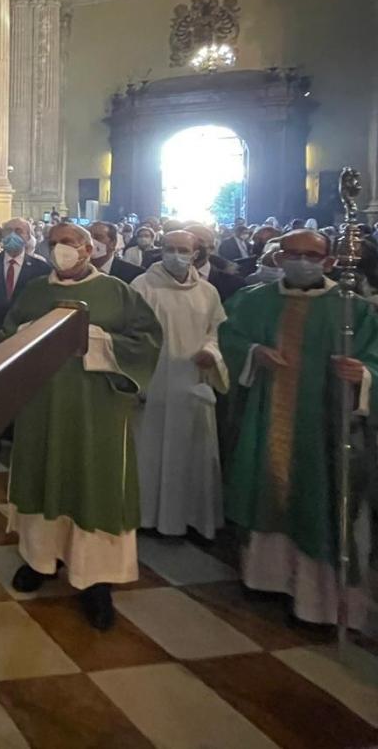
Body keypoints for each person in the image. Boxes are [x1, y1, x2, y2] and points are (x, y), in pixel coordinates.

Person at [219, 229, 378, 627]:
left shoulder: (351, 310)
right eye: (293, 254)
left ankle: (317, 603)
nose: (301, 262)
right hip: (265, 419)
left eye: (311, 255)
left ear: (329, 262)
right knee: (266, 493)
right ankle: (265, 578)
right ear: (279, 258)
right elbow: (229, 338)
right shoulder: (254, 300)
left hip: (324, 427)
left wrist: (363, 376)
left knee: (321, 502)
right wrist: (253, 353)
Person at [4, 222, 163, 630]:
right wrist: (29, 335)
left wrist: (97, 341)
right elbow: (6, 334)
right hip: (41, 405)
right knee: (43, 473)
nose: (60, 249)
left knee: (94, 481)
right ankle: (40, 560)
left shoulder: (117, 292)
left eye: (69, 243)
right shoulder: (35, 291)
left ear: (89, 249)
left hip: (97, 409)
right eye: (54, 243)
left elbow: (146, 341)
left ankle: (96, 579)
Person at [131, 230, 229, 539]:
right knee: (149, 451)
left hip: (191, 381)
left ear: (196, 253)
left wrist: (211, 352)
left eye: (183, 249)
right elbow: (129, 334)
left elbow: (216, 332)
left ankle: (191, 518)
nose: (176, 255)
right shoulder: (142, 286)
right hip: (154, 383)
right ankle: (145, 516)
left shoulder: (208, 292)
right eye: (170, 248)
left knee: (193, 451)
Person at [0, 217, 50, 358]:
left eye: (18, 231)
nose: (13, 235)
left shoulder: (41, 268)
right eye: (8, 231)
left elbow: (40, 305)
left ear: (28, 237)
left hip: (25, 338)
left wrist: (15, 331)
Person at [185, 224, 245, 302]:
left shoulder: (234, 283)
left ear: (211, 248)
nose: (191, 245)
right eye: (186, 241)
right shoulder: (169, 278)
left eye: (199, 241)